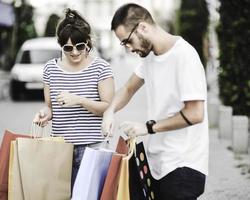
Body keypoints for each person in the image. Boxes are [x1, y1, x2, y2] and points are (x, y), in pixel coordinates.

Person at [102, 3, 208, 200]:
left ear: (142, 27)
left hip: (183, 165)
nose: (128, 48)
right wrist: (109, 111)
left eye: (128, 41)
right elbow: (128, 89)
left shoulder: (184, 55)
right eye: (123, 44)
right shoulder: (150, 58)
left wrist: (147, 127)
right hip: (157, 164)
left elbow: (195, 113)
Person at [33, 8, 114, 189]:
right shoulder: (50, 69)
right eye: (68, 48)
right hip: (60, 149)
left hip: (91, 148)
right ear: (61, 46)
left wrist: (78, 100)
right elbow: (50, 107)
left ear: (87, 43)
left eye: (80, 46)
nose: (75, 52)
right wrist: (43, 114)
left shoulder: (101, 68)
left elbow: (107, 106)